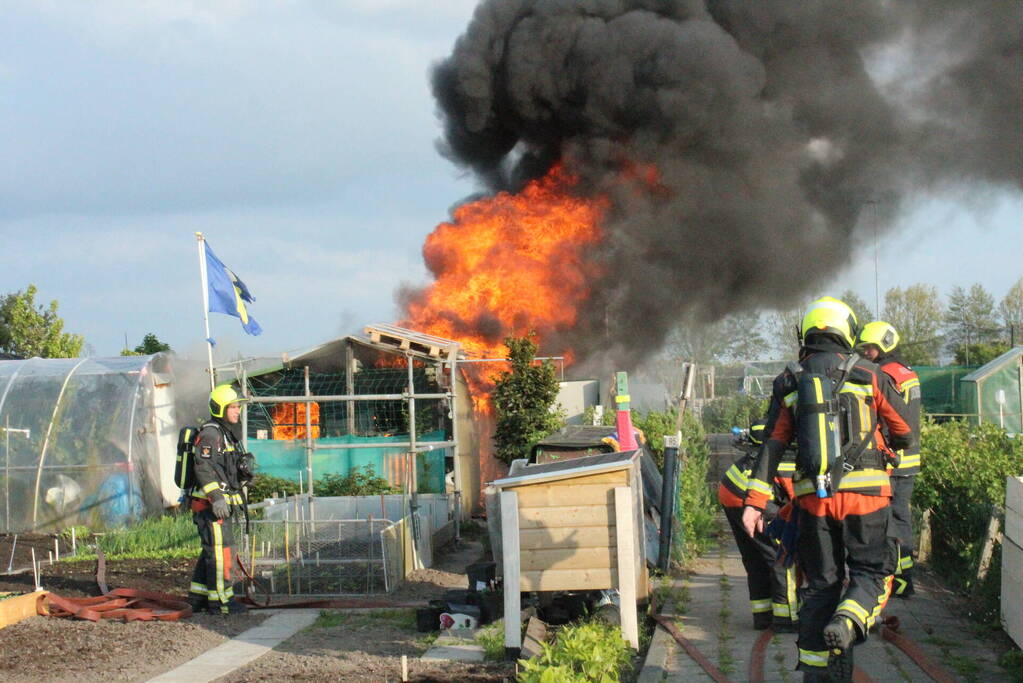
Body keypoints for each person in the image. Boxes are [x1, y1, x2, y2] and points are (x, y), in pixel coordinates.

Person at [741, 297, 913, 681]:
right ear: (848, 332)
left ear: (806, 332)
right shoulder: (869, 375)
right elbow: (904, 431)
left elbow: (772, 443)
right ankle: (850, 619)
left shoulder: (790, 380)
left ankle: (816, 673)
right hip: (867, 496)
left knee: (820, 584)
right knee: (872, 571)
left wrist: (754, 503)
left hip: (814, 500)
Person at [856, 321, 922, 598]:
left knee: (887, 522)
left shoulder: (884, 373)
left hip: (892, 460)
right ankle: (905, 579)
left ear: (882, 346)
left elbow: (884, 416)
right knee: (902, 520)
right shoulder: (908, 372)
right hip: (910, 460)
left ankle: (895, 578)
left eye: (869, 348)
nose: (867, 354)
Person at [718, 422, 800, 632]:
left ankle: (763, 617)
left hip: (730, 494)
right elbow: (795, 500)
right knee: (780, 557)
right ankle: (786, 619)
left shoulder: (762, 452)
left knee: (754, 559)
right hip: (752, 502)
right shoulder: (787, 460)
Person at [186, 383, 253, 615]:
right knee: (220, 551)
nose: (237, 411)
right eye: (233, 407)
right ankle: (222, 602)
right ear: (220, 408)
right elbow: (203, 467)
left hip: (220, 505)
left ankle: (198, 597)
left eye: (238, 407)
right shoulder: (211, 434)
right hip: (210, 506)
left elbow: (225, 468)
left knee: (212, 550)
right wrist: (216, 498)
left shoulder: (226, 434)